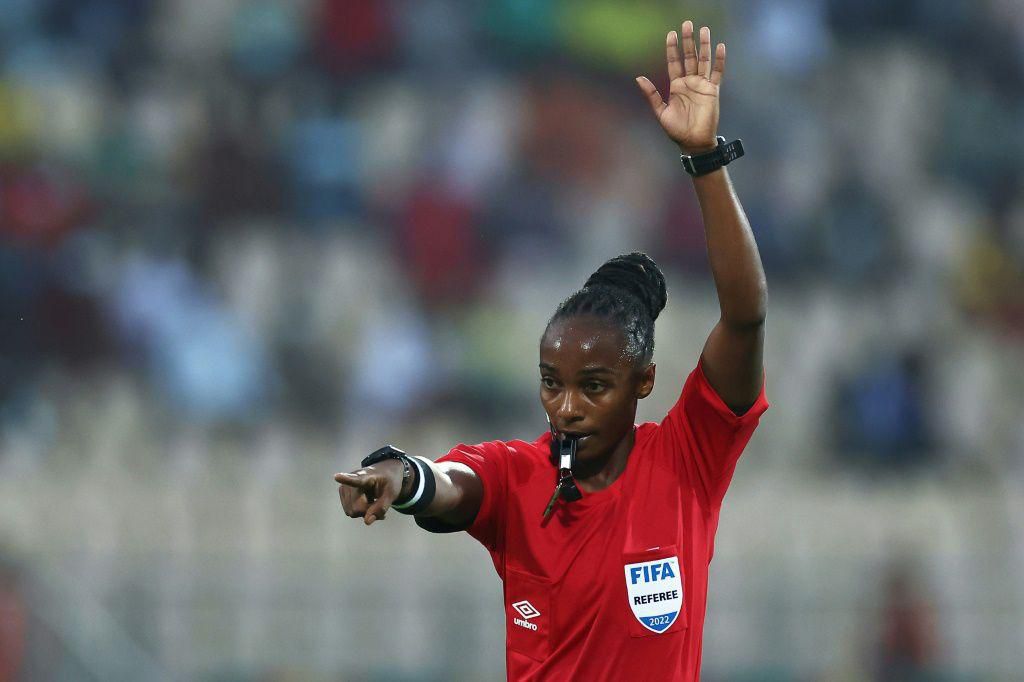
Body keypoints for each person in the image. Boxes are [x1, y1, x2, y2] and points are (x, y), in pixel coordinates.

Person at [335, 19, 769, 681]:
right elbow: (452, 486)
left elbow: (744, 316)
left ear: (642, 382)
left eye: (593, 385)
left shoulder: (686, 462)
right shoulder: (518, 477)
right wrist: (404, 478)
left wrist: (705, 160)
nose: (565, 406)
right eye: (551, 382)